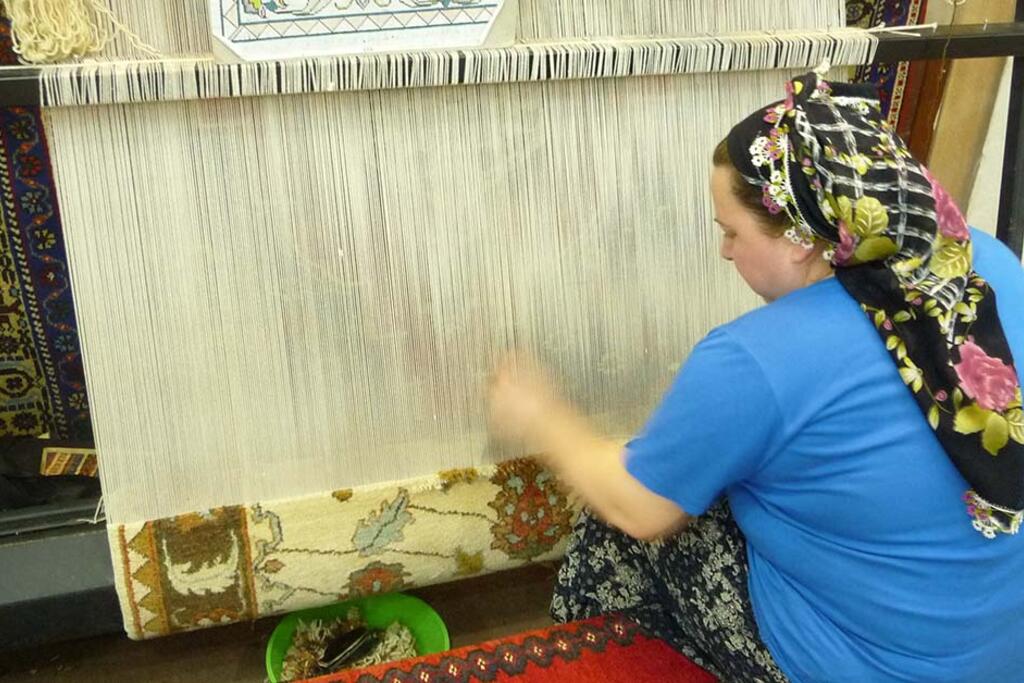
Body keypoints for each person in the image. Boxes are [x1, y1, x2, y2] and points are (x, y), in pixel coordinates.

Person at [486, 70, 1024, 682]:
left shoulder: (754, 358)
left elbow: (637, 509)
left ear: (800, 241)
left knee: (620, 507)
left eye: (731, 232)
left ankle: (594, 664)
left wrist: (542, 417)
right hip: (1001, 654)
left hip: (875, 669)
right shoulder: (984, 261)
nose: (725, 251)